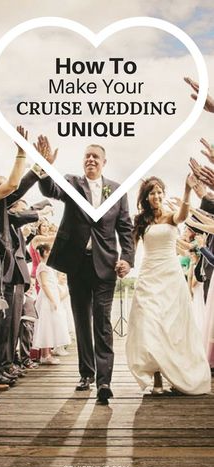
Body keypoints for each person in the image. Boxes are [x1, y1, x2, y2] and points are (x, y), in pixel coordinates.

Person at [36, 136, 134, 404]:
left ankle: (104, 381)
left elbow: (125, 228)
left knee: (102, 321)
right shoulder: (71, 182)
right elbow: (50, 190)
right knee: (81, 321)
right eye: (87, 156)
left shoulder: (117, 190)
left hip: (105, 265)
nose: (90, 159)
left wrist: (127, 258)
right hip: (77, 264)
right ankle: (86, 374)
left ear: (104, 163)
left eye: (95, 157)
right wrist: (45, 168)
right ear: (84, 161)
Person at [126, 175, 211, 395]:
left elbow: (182, 216)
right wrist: (125, 265)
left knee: (173, 328)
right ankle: (156, 379)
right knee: (149, 324)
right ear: (146, 197)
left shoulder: (170, 217)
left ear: (163, 194)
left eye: (159, 192)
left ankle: (178, 375)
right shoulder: (140, 221)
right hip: (148, 276)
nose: (156, 196)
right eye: (152, 193)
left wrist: (187, 190)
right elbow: (131, 249)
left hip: (171, 277)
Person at [33, 243, 71, 364]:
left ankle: (47, 353)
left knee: (50, 325)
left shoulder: (48, 266)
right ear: (45, 252)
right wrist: (52, 300)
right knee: (46, 325)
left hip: (52, 297)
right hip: (46, 299)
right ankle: (45, 355)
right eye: (50, 251)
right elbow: (44, 284)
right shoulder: (42, 266)